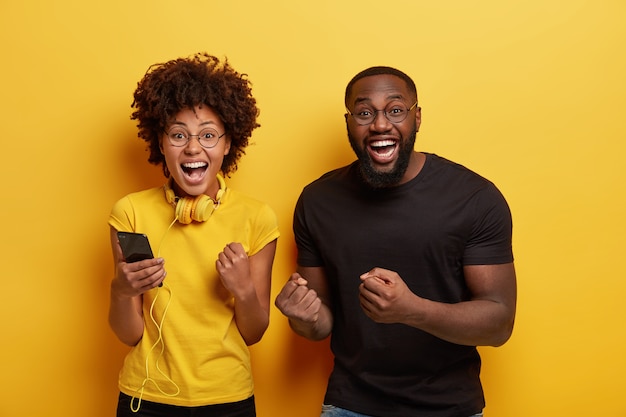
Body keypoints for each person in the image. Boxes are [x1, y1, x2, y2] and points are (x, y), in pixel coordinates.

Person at [275, 66, 516, 417]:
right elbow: (320, 324)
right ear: (349, 122)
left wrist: (411, 310)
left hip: (449, 408)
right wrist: (303, 317)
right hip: (350, 405)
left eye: (395, 110)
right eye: (364, 112)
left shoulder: (474, 198)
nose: (380, 124)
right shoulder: (317, 201)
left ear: (417, 118)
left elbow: (499, 323)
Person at [108, 53, 279, 417]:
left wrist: (243, 289)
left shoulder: (257, 217)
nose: (192, 148)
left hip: (228, 398)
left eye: (207, 135)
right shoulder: (130, 213)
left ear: (229, 143)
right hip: (146, 396)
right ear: (161, 141)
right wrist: (122, 290)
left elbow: (253, 333)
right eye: (179, 134)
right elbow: (129, 334)